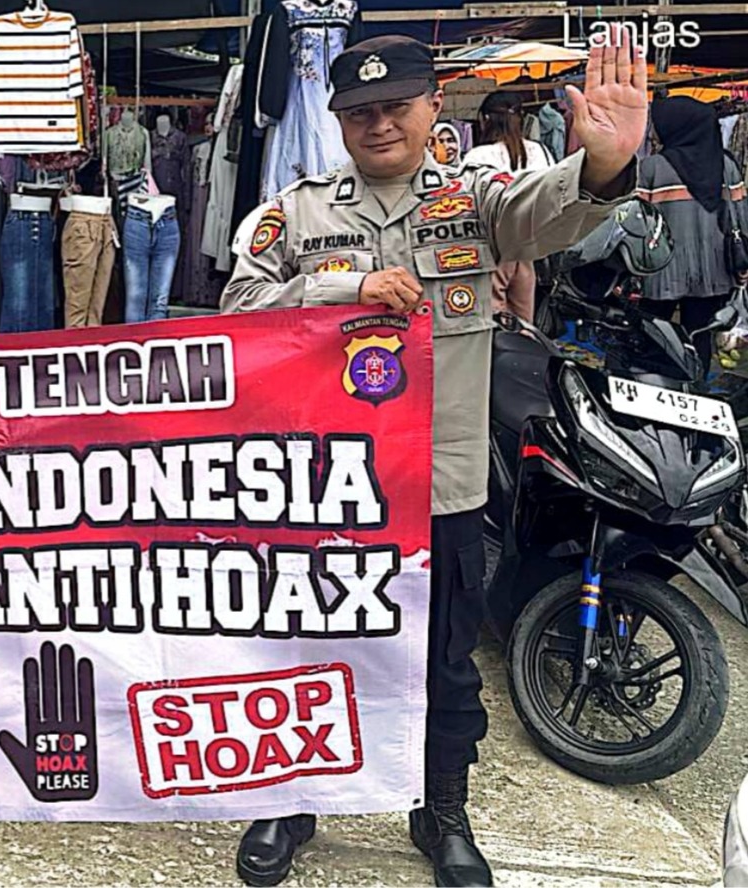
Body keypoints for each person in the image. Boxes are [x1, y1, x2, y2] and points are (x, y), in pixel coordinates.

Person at [221, 29, 645, 888]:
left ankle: (441, 807)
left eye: (394, 107)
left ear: (431, 107)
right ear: (337, 121)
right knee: (304, 648)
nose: (379, 125)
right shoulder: (296, 211)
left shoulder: (475, 200)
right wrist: (344, 288)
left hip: (439, 483)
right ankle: (290, 799)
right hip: (325, 484)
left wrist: (601, 166)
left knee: (444, 658)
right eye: (359, 112)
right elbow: (239, 309)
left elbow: (549, 210)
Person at [639, 95, 748, 367]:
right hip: (715, 269)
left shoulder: (652, 168)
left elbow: (637, 222)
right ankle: (696, 384)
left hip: (662, 269)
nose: (654, 130)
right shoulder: (727, 166)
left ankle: (657, 385)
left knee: (655, 336)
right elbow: (740, 217)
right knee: (699, 337)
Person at [463, 91, 557, 322]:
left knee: (496, 323)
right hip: (529, 249)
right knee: (524, 323)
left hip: (493, 250)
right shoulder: (540, 151)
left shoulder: (478, 156)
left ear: (486, 119)